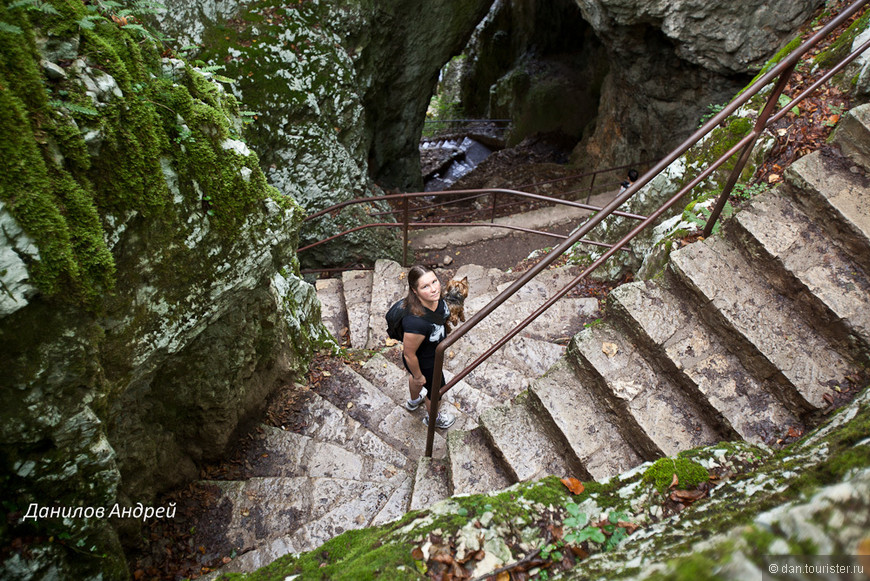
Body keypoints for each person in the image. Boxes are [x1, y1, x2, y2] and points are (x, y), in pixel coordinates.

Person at [401, 265, 456, 429]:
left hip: (428, 354)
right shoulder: (415, 323)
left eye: (434, 281)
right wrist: (419, 376)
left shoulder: (436, 300)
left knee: (415, 379)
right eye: (425, 286)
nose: (434, 289)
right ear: (415, 291)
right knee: (435, 393)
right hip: (425, 362)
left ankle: (413, 401)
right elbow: (409, 354)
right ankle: (433, 419)